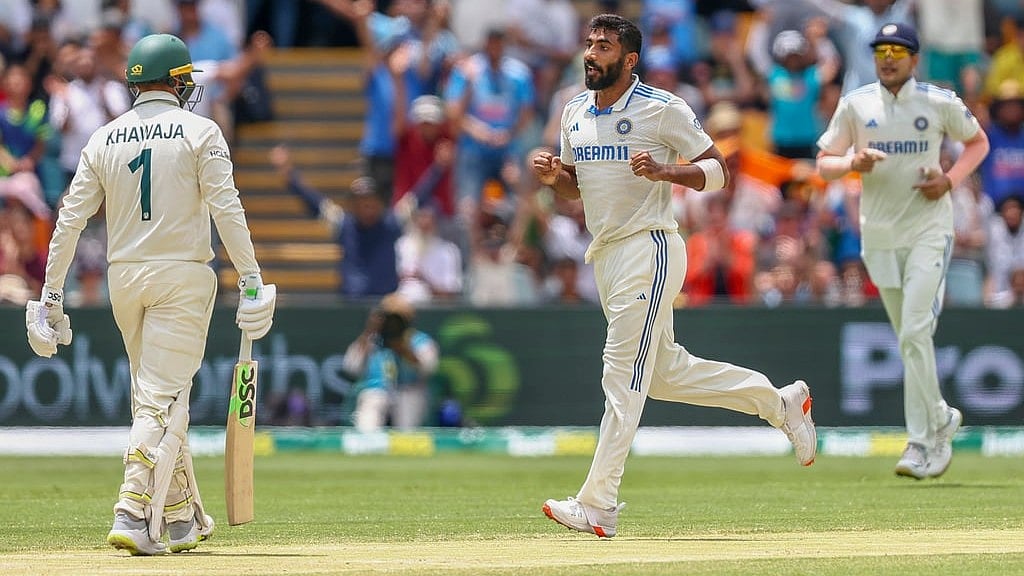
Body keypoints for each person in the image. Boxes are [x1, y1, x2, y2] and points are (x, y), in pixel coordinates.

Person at [531, 13, 817, 539]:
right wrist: (555, 178)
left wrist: (666, 171)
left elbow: (718, 170)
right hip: (606, 254)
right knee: (663, 374)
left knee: (621, 373)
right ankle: (780, 403)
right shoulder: (574, 110)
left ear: (629, 59)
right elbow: (578, 186)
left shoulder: (662, 108)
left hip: (651, 247)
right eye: (589, 44)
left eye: (603, 46)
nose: (591, 53)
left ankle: (598, 503)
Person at [23, 33, 276, 555]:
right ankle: (132, 510)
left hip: (124, 280)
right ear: (177, 81)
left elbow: (69, 219)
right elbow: (227, 209)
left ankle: (181, 517)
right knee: (162, 400)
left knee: (158, 396)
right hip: (182, 277)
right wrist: (251, 280)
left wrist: (51, 296)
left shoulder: (103, 137)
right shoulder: (201, 131)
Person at [816, 23, 989, 479]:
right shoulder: (857, 104)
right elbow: (824, 163)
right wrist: (852, 162)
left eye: (897, 50)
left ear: (914, 59)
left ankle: (926, 433)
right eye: (881, 51)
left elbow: (978, 143)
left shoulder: (938, 101)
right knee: (910, 339)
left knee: (914, 330)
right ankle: (932, 430)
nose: (888, 58)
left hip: (929, 230)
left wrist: (949, 181)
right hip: (879, 235)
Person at [342, 292, 440, 431]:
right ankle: (367, 439)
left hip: (408, 390)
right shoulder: (372, 340)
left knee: (409, 405)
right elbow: (350, 366)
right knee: (371, 404)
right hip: (376, 389)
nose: (392, 324)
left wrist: (403, 348)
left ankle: (405, 439)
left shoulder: (419, 341)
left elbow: (429, 368)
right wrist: (369, 332)